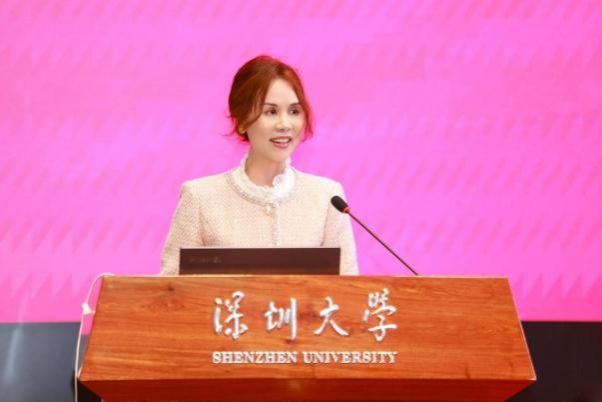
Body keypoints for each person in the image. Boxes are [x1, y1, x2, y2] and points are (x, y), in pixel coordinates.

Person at [160, 55, 358, 276]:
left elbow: (349, 288)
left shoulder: (328, 198)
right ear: (242, 121)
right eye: (270, 112)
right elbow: (170, 289)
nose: (285, 124)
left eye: (294, 111)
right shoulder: (200, 198)